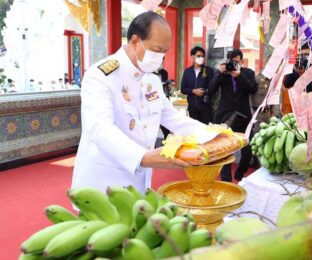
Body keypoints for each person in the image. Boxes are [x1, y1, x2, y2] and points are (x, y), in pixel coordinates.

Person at [71, 11, 210, 193]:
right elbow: (100, 129)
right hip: (103, 186)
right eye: (157, 50)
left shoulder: (151, 79)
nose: (160, 58)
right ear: (135, 41)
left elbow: (170, 117)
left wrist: (212, 134)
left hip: (139, 183)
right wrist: (145, 157)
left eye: (164, 52)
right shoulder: (100, 75)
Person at [209, 49, 258, 182]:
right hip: (225, 116)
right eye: (231, 62)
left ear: (242, 61)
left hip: (243, 117)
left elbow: (252, 89)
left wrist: (239, 75)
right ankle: (226, 180)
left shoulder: (248, 73)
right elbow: (211, 90)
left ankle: (240, 172)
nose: (233, 65)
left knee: (248, 148)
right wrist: (219, 73)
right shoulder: (223, 73)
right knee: (226, 150)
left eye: (236, 62)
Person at [181, 46, 214, 124]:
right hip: (192, 108)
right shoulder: (187, 71)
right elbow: (183, 89)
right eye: (198, 56)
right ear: (192, 56)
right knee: (194, 131)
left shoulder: (208, 70)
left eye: (203, 56)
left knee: (206, 130)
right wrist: (193, 91)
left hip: (205, 107)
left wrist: (204, 91)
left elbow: (212, 87)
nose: (201, 58)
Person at [156, 58, 176, 139]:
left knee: (166, 129)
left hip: (164, 100)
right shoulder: (148, 73)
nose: (160, 63)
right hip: (153, 102)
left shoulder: (164, 73)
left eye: (162, 61)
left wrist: (167, 85)